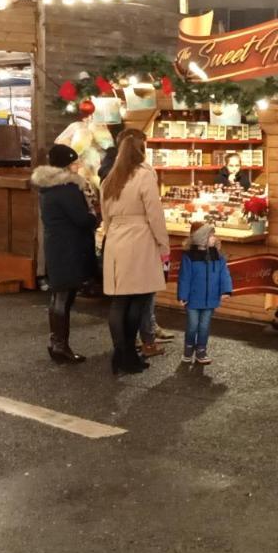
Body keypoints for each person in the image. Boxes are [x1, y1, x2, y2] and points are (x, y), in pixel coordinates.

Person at [100, 133, 171, 375]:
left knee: (120, 300)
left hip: (116, 240)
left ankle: (121, 354)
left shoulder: (110, 179)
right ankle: (127, 355)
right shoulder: (144, 175)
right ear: (142, 151)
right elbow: (155, 213)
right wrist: (164, 245)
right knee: (139, 300)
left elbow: (105, 216)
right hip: (140, 239)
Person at [32, 144, 97, 364]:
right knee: (63, 296)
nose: (78, 165)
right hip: (69, 248)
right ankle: (59, 345)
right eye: (75, 162)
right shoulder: (67, 189)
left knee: (60, 295)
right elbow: (82, 219)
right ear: (67, 165)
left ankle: (57, 343)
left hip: (57, 247)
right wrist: (94, 218)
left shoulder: (47, 187)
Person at [176, 221, 233, 365]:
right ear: (201, 238)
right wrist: (183, 295)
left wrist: (226, 290)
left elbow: (224, 274)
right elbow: (185, 277)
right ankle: (188, 349)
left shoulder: (218, 257)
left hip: (210, 300)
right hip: (193, 300)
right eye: (211, 235)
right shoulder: (189, 257)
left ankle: (201, 351)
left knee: (204, 326)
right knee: (192, 325)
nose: (214, 238)